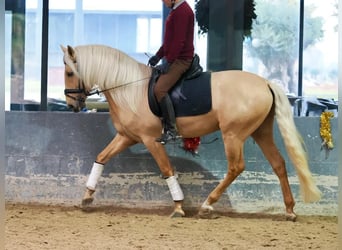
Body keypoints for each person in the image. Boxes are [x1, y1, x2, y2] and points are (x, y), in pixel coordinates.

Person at [148, 0, 194, 145]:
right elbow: (169, 41)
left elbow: (179, 41)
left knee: (159, 89)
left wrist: (170, 61)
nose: (162, 2)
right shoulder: (175, 10)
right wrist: (158, 55)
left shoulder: (183, 11)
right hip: (174, 58)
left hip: (181, 60)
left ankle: (171, 130)